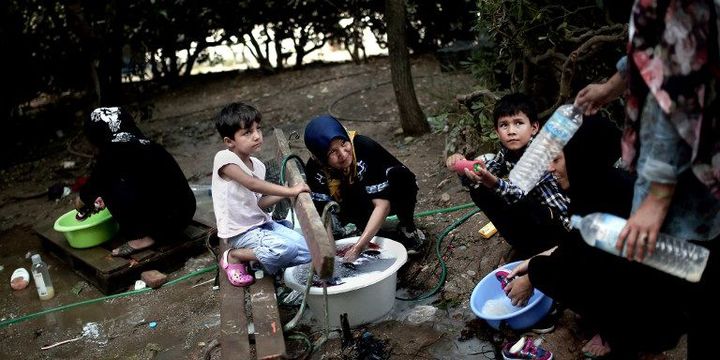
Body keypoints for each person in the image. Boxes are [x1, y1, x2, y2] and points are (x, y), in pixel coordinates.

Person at [503, 114, 686, 358]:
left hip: (659, 309)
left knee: (568, 278)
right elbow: (578, 244)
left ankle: (636, 343)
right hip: (662, 290)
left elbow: (580, 264)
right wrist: (534, 261)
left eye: (556, 159)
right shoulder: (609, 185)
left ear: (581, 160)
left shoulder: (605, 203)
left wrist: (533, 275)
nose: (549, 168)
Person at [446, 93, 570, 259]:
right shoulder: (506, 152)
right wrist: (462, 167)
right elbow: (484, 169)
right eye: (504, 125)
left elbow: (518, 192)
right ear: (497, 132)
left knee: (515, 199)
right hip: (537, 215)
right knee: (479, 190)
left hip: (560, 223)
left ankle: (547, 249)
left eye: (518, 123)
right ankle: (524, 245)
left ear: (534, 127)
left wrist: (493, 181)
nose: (511, 131)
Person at [212, 102, 311, 287]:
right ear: (229, 141)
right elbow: (253, 184)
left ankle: (264, 259)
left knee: (308, 251)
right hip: (240, 232)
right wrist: (290, 190)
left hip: (262, 225)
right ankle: (233, 256)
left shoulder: (258, 165)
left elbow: (259, 203)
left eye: (258, 129)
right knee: (285, 248)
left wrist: (286, 191)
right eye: (247, 132)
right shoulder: (225, 159)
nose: (257, 136)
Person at [76, 107, 196, 257]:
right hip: (184, 212)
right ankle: (154, 231)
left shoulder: (110, 155)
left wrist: (82, 202)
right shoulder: (150, 146)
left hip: (163, 225)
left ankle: (144, 238)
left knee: (107, 186)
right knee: (115, 183)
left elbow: (86, 195)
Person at [304, 115, 425, 262]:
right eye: (332, 152)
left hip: (387, 195)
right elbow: (323, 215)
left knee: (401, 177)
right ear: (321, 157)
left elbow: (383, 205)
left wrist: (357, 248)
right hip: (352, 203)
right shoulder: (315, 169)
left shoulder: (364, 147)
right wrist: (330, 258)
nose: (342, 154)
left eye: (343, 143)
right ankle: (369, 230)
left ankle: (407, 227)